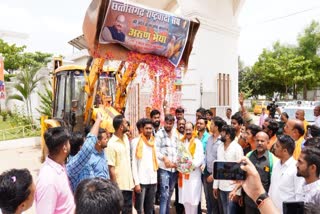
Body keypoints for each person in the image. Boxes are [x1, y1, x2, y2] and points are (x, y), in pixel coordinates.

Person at [35, 127, 75, 213]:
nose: (70, 145)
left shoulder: (59, 166)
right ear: (64, 148)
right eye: (68, 142)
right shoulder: (48, 180)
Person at [66, 113, 105, 192]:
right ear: (81, 148)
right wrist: (98, 120)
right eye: (85, 143)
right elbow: (88, 148)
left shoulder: (84, 162)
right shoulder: (73, 164)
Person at [268, 135, 304, 213]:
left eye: (277, 146)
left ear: (285, 151)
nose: (274, 148)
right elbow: (272, 187)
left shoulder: (296, 168)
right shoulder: (276, 163)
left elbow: (299, 195)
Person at [106, 115, 134, 214]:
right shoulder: (111, 144)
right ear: (121, 127)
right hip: (119, 187)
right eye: (126, 123)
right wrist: (115, 189)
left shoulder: (126, 138)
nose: (128, 125)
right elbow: (111, 168)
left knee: (128, 211)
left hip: (128, 185)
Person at [243, 132, 277, 214]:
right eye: (257, 140)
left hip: (264, 203)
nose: (259, 143)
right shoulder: (248, 156)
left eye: (262, 141)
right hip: (249, 201)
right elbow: (243, 176)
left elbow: (274, 183)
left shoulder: (273, 159)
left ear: (268, 142)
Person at [213, 125, 244, 214]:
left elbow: (240, 171)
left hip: (232, 189)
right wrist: (215, 186)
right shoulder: (220, 147)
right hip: (221, 187)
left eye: (222, 132)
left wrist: (237, 192)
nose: (220, 134)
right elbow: (218, 167)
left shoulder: (237, 148)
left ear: (228, 135)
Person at [132, 118, 158, 214]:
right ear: (142, 129)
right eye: (146, 128)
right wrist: (136, 182)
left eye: (150, 129)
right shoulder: (136, 142)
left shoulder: (154, 142)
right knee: (139, 208)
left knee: (150, 208)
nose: (149, 130)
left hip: (152, 180)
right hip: (141, 181)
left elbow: (158, 158)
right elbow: (133, 163)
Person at [178, 122, 204, 214]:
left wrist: (189, 166)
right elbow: (179, 157)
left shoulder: (198, 143)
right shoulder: (181, 142)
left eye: (190, 130)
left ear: (193, 130)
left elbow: (199, 158)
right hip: (184, 175)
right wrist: (182, 165)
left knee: (193, 201)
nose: (188, 132)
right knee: (185, 201)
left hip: (193, 175)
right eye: (186, 130)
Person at [156, 114, 178, 214]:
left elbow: (179, 150)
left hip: (174, 169)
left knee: (169, 194)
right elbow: (155, 151)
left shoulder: (176, 134)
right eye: (167, 123)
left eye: (171, 123)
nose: (168, 125)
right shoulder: (159, 134)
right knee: (164, 195)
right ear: (164, 122)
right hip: (164, 169)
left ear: (173, 123)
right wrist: (164, 158)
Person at [203, 117, 226, 214]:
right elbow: (206, 154)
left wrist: (214, 175)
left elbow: (223, 161)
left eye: (211, 124)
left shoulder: (222, 141)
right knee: (208, 201)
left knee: (216, 203)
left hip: (216, 177)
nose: (210, 126)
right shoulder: (209, 139)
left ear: (216, 127)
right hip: (206, 173)